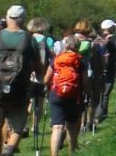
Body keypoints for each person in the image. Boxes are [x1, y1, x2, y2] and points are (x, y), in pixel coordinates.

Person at [0, 5, 42, 156]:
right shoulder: (29, 39)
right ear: (23, 20)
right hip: (20, 90)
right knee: (17, 127)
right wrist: (40, 81)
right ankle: (8, 152)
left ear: (7, 18)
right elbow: (38, 65)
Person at [45, 21, 91, 156]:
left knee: (57, 127)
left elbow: (46, 79)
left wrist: (49, 89)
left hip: (56, 94)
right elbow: (84, 80)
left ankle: (54, 154)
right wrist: (87, 92)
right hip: (73, 95)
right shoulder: (80, 60)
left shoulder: (57, 59)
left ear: (66, 45)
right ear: (78, 46)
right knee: (72, 126)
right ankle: (72, 151)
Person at [87, 20, 116, 129]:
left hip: (97, 71)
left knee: (95, 95)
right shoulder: (113, 40)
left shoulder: (97, 40)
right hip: (109, 69)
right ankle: (101, 114)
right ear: (111, 28)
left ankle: (94, 116)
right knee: (105, 93)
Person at [26, 17, 54, 139]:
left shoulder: (27, 38)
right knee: (39, 102)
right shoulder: (45, 40)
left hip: (27, 75)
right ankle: (35, 126)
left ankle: (24, 125)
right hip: (40, 76)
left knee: (29, 101)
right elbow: (48, 58)